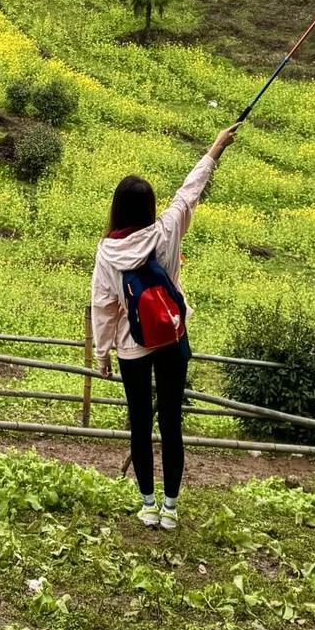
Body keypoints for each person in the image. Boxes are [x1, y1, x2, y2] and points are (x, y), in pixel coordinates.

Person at [90, 125, 238, 530]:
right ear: (150, 205)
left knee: (139, 423)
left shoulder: (107, 253)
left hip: (132, 346)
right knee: (170, 421)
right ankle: (172, 508)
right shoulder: (166, 231)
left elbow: (103, 307)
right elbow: (189, 191)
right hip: (171, 336)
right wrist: (216, 147)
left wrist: (103, 355)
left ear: (117, 209)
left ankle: (148, 505)